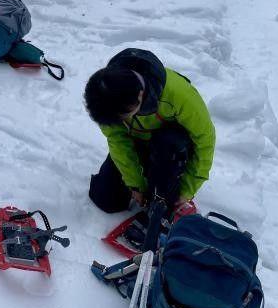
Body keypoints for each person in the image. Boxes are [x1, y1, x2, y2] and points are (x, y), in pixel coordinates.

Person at [85, 48, 215, 247]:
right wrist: (135, 185)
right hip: (139, 144)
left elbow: (205, 141)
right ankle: (148, 180)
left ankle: (164, 202)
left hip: (171, 151)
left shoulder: (179, 96)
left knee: (169, 147)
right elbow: (118, 141)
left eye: (125, 116)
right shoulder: (106, 99)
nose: (122, 121)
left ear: (140, 95)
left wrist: (188, 189)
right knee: (105, 199)